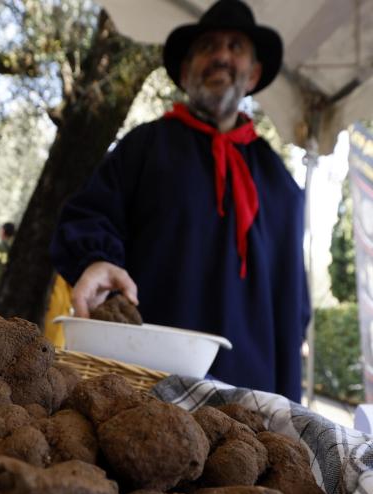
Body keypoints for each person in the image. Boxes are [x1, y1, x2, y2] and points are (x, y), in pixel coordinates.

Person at [50, 0, 310, 403]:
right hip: (145, 385)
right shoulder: (144, 147)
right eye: (208, 47)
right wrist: (97, 258)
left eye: (235, 47)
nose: (222, 56)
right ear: (187, 71)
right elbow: (88, 215)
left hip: (249, 399)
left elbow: (294, 305)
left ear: (254, 73)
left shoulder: (281, 185)